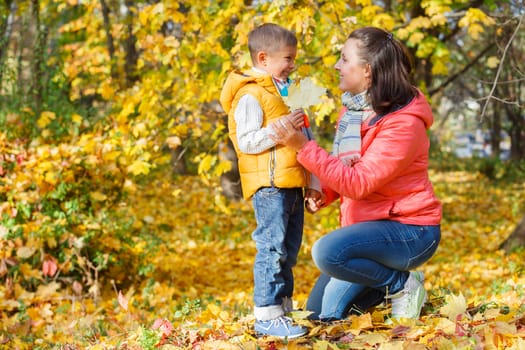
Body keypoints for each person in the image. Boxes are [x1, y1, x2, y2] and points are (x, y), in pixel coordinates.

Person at [270, 26, 442, 323]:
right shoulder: (352, 113)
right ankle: (382, 287)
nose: (337, 66)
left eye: (343, 59)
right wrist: (324, 193)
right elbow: (347, 169)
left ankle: (401, 286)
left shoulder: (404, 124)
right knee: (317, 317)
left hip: (410, 232)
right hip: (368, 231)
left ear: (367, 71)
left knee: (326, 252)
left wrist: (304, 148)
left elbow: (360, 182)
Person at [219, 23, 321, 338]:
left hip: (292, 184)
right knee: (271, 248)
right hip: (270, 186)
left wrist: (314, 182)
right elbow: (245, 142)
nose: (293, 64)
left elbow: (306, 136)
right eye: (288, 59)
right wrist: (279, 128)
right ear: (264, 58)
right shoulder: (250, 95)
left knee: (289, 249)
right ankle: (266, 313)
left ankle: (283, 309)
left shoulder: (287, 90)